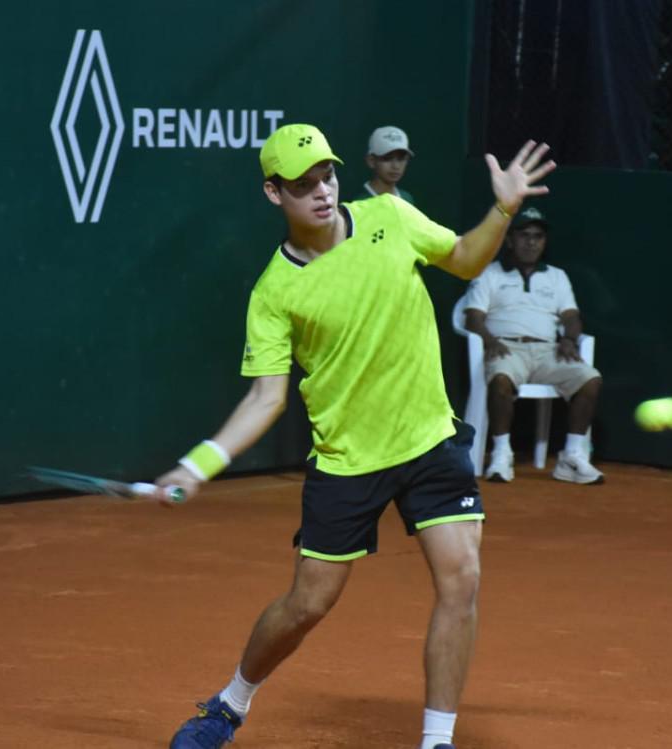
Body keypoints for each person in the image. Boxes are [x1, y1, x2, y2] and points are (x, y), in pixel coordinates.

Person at [158, 123, 555, 749]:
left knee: (462, 578)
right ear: (273, 193)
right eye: (302, 184)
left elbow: (465, 258)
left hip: (429, 438)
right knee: (307, 605)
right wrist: (199, 462)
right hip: (348, 460)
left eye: (327, 176)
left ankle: (436, 741)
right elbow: (267, 397)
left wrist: (503, 209)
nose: (320, 191)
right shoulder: (274, 292)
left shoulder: (389, 216)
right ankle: (229, 705)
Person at [462, 206, 605, 484]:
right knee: (501, 380)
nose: (531, 242)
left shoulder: (557, 276)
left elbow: (571, 316)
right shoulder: (490, 273)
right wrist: (490, 341)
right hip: (506, 348)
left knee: (590, 379)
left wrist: (569, 339)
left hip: (548, 351)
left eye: (538, 236)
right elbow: (473, 318)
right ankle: (502, 455)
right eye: (524, 235)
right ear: (509, 240)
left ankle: (572, 457)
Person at [351, 125, 416, 204]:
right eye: (387, 158)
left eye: (401, 159)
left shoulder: (407, 198)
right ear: (371, 161)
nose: (396, 166)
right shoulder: (359, 202)